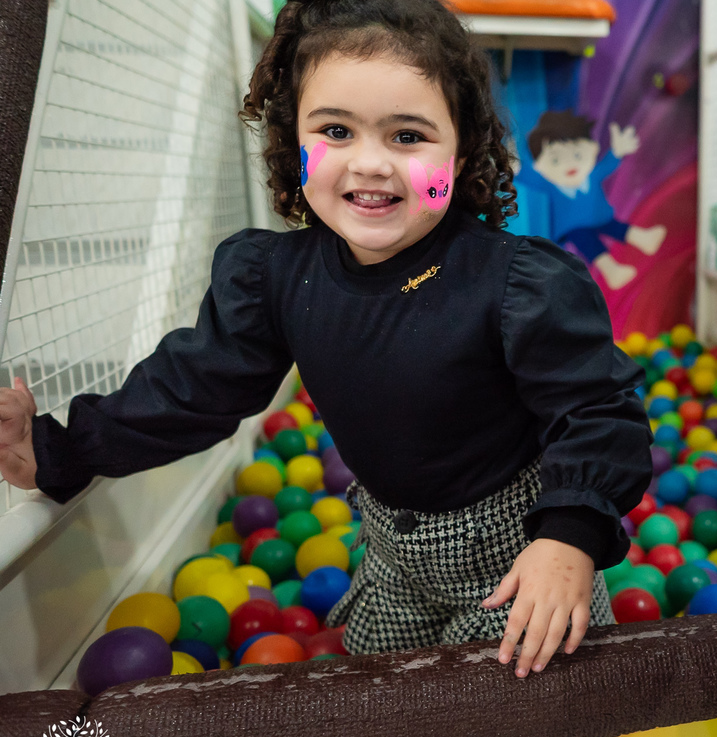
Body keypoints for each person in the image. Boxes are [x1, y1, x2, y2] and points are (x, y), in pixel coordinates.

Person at [0, 0, 652, 680]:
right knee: (373, 704)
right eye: (336, 130)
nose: (370, 163)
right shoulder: (276, 278)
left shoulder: (515, 283)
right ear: (292, 142)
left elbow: (598, 410)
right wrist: (57, 449)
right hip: (392, 557)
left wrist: (567, 538)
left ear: (460, 152)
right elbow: (192, 388)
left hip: (517, 557)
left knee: (507, 709)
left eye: (407, 136)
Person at [520, 110, 667, 290]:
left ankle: (644, 239)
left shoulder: (592, 174)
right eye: (556, 160)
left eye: (577, 155)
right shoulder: (549, 184)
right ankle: (612, 271)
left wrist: (617, 151)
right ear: (539, 166)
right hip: (574, 228)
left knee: (616, 227)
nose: (569, 164)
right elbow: (529, 177)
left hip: (601, 218)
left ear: (592, 148)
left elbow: (608, 165)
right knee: (589, 243)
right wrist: (515, 167)